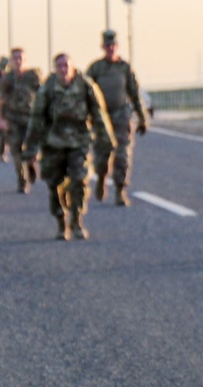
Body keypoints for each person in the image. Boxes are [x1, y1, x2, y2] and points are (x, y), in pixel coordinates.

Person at [24, 53, 115, 240]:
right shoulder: (47, 89)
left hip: (78, 142)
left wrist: (107, 140)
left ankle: (77, 219)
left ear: (72, 67)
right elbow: (36, 119)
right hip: (53, 143)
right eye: (59, 66)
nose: (63, 69)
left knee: (79, 179)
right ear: (55, 69)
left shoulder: (86, 86)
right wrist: (31, 149)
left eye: (66, 65)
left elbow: (99, 114)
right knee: (54, 184)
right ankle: (60, 221)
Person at [86, 29, 149, 207]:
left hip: (122, 116)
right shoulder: (95, 69)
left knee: (122, 156)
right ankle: (101, 178)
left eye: (113, 45)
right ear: (103, 47)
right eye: (107, 45)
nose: (110, 48)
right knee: (102, 156)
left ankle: (120, 189)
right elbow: (86, 93)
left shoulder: (124, 68)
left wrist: (142, 117)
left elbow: (134, 93)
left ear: (117, 46)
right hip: (102, 118)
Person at [0, 48, 42, 194]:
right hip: (13, 119)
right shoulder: (6, 79)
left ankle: (31, 163)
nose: (18, 61)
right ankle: (22, 181)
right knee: (16, 150)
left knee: (31, 149)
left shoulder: (33, 76)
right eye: (15, 58)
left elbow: (44, 95)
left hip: (31, 118)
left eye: (21, 58)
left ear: (25, 60)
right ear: (11, 61)